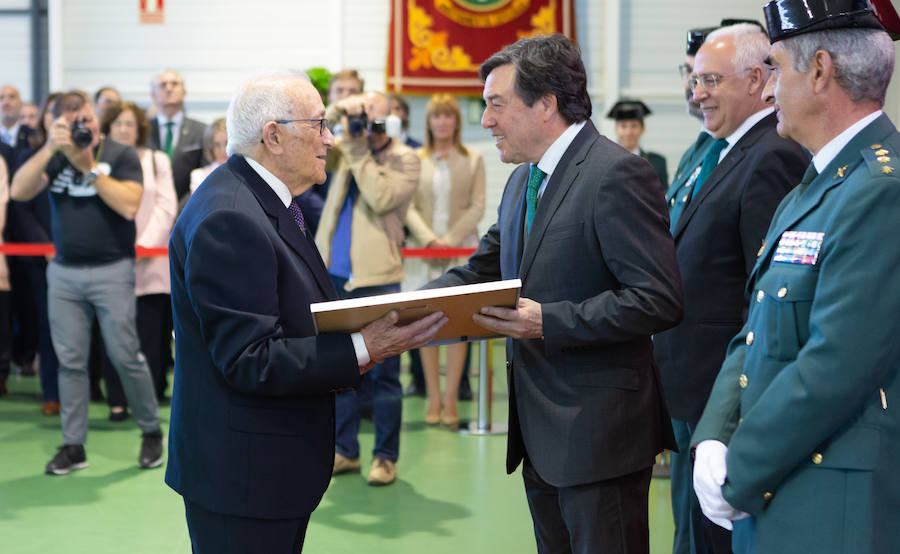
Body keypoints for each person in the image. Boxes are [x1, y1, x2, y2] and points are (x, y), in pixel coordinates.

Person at [166, 72, 445, 553]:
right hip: (244, 477)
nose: (330, 138)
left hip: (263, 468)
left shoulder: (262, 201)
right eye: (317, 125)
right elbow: (250, 359)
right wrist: (364, 346)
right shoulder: (231, 217)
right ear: (273, 136)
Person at [427, 34, 683, 553]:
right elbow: (483, 271)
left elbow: (658, 298)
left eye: (496, 105)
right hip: (540, 438)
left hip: (600, 439)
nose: (485, 121)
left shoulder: (616, 174)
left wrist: (548, 321)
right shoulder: (523, 180)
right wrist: (397, 311)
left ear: (546, 105)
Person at [691, 2, 900, 553]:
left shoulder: (881, 190)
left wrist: (743, 467)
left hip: (827, 504)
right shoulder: (811, 187)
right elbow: (755, 327)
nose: (766, 91)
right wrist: (713, 436)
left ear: (820, 70)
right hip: (776, 488)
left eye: (776, 69)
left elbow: (839, 363)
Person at [653, 22, 810, 554]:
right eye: (695, 80)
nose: (697, 94)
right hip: (696, 389)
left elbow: (765, 294)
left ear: (756, 81)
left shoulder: (772, 157)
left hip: (727, 396)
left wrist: (734, 410)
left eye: (711, 80)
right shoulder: (723, 150)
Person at [10, 91, 163, 474]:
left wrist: (90, 166)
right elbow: (18, 191)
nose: (83, 127)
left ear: (97, 120)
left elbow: (129, 205)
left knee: (124, 354)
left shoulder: (121, 154)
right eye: (73, 122)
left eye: (88, 120)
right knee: (70, 361)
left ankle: (151, 432)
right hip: (64, 272)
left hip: (112, 268)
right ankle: (73, 446)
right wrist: (49, 148)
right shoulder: (55, 154)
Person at [316, 90, 420, 486]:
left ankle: (385, 457)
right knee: (340, 371)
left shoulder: (406, 159)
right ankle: (345, 450)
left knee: (384, 377)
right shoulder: (346, 150)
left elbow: (380, 198)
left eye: (374, 117)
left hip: (379, 282)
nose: (367, 126)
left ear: (392, 119)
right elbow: (319, 166)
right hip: (335, 276)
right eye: (364, 118)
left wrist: (360, 148)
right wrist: (344, 114)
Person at [404, 93, 485, 427]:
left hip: (459, 251)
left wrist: (449, 241)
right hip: (423, 254)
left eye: (448, 116)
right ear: (429, 122)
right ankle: (433, 399)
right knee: (425, 328)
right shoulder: (414, 158)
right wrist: (429, 240)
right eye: (436, 116)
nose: (442, 122)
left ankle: (451, 400)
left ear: (456, 122)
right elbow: (406, 206)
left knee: (455, 329)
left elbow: (478, 205)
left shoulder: (474, 158)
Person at [100, 101, 177, 407]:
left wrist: (142, 246)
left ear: (140, 128)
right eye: (117, 123)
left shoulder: (156, 159)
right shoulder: (100, 163)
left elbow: (166, 206)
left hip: (151, 261)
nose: (123, 129)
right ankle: (117, 400)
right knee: (113, 334)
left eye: (129, 123)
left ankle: (148, 398)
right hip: (110, 260)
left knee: (150, 337)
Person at [145, 69, 206, 201]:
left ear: (184, 92)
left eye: (174, 84)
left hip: (189, 205)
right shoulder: (142, 131)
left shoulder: (201, 131)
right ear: (153, 95)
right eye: (162, 85)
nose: (169, 88)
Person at [606, 99, 668, 189]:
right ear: (616, 129)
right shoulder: (606, 162)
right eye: (623, 126)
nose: (628, 132)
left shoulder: (656, 163)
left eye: (634, 125)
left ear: (642, 129)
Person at [189, 117, 227, 194]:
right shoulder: (199, 175)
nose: (224, 150)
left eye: (227, 143)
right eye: (217, 145)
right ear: (210, 147)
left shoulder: (246, 172)